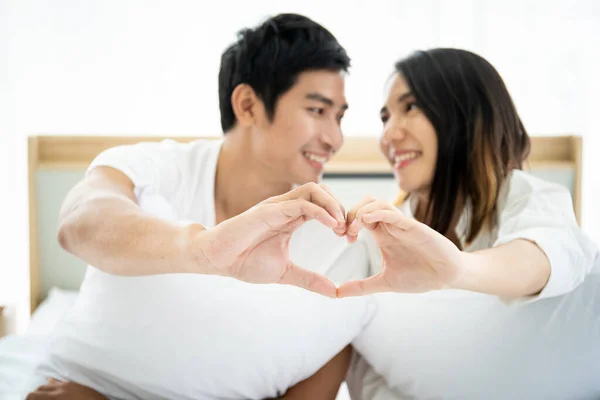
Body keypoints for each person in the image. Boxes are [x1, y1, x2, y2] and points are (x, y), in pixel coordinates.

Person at [25, 13, 373, 400]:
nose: (334, 138)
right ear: (248, 105)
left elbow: (322, 372)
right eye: (317, 111)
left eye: (340, 117)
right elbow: (79, 223)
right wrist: (204, 251)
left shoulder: (337, 240)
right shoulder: (159, 169)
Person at [327, 48, 599, 399]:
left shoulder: (525, 196)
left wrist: (454, 268)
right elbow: (364, 367)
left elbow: (548, 257)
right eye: (384, 117)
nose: (389, 136)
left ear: (466, 115)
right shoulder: (376, 235)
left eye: (410, 107)